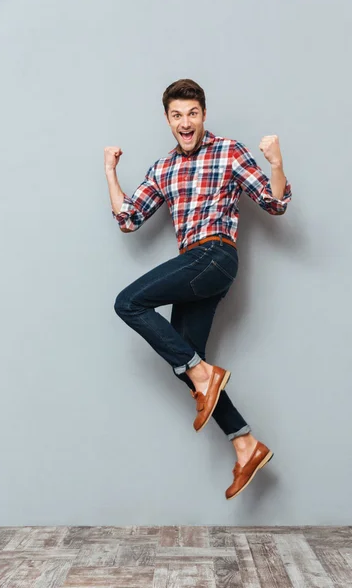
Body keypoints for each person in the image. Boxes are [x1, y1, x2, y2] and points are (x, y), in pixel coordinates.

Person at [104, 79, 292, 500]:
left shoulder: (227, 150)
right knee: (189, 365)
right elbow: (130, 219)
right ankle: (245, 444)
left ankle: (206, 375)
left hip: (215, 256)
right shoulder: (164, 167)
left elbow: (274, 203)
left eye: (192, 113)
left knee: (128, 302)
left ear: (203, 115)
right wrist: (110, 172)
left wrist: (276, 163)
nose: (184, 122)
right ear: (168, 120)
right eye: (176, 115)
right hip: (194, 268)